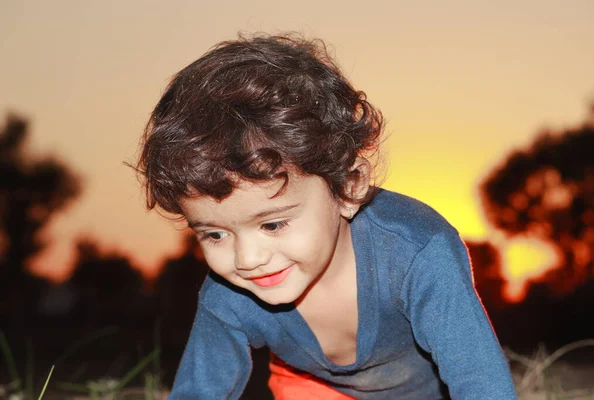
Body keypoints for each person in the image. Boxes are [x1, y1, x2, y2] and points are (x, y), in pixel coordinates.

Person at [137, 33, 517, 399]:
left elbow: (479, 379)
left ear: (348, 188)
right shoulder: (230, 295)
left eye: (272, 224)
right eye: (214, 234)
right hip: (314, 390)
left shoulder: (416, 252)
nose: (247, 259)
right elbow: (200, 391)